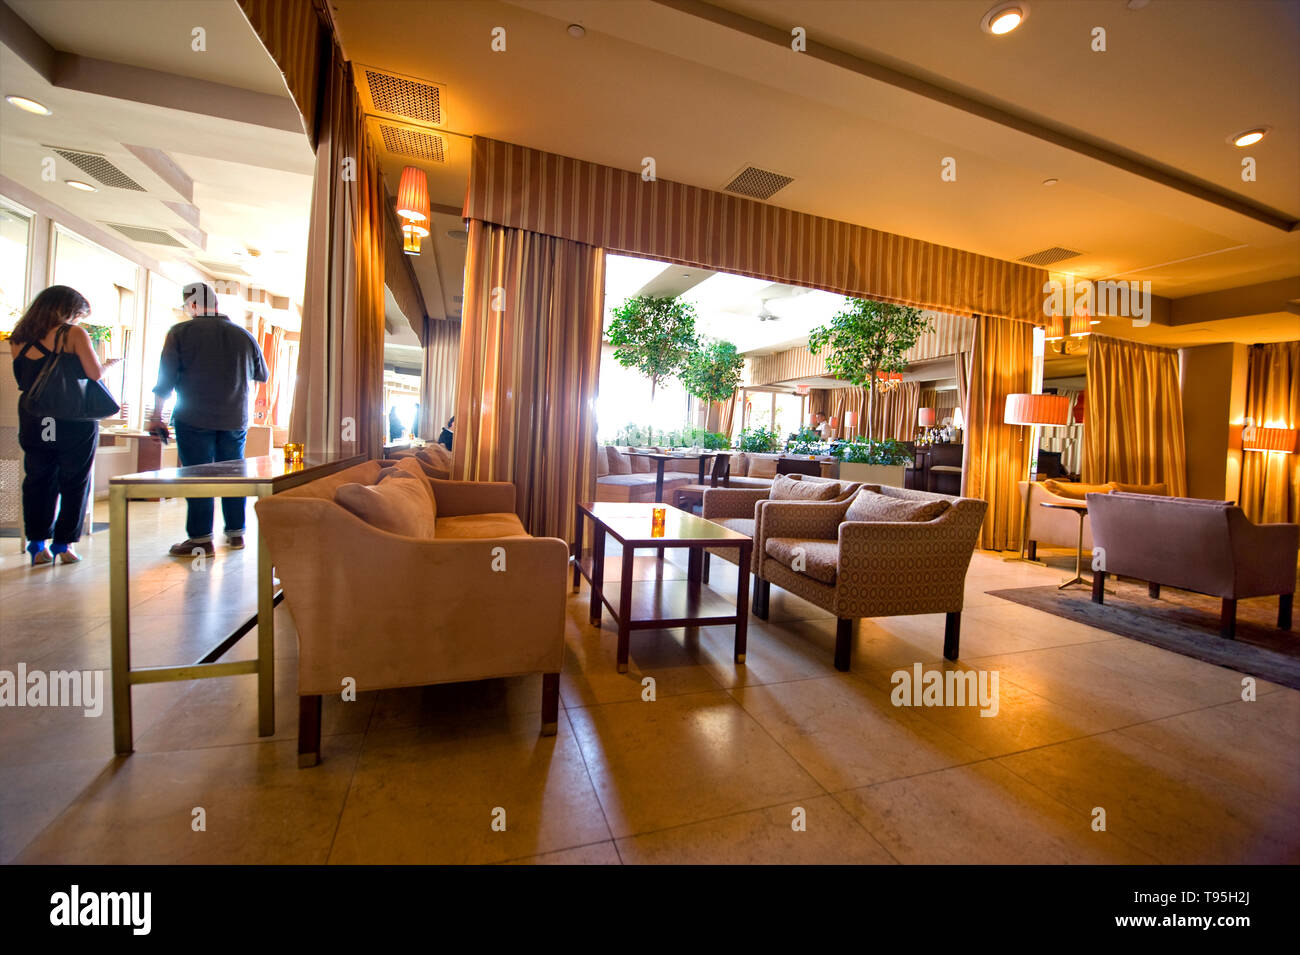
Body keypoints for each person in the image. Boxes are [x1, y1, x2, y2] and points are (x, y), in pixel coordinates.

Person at [149, 282, 268, 557]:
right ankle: (236, 534)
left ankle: (201, 539)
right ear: (216, 304)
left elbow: (165, 380)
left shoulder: (180, 332)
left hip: (194, 417)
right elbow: (262, 376)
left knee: (198, 475)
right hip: (234, 418)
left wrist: (157, 417)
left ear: (191, 305)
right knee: (233, 475)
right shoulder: (244, 335)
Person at [9, 285, 119, 565]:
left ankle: (37, 544)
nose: (78, 321)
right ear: (67, 310)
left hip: (37, 417)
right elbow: (93, 374)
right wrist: (109, 365)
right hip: (73, 418)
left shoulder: (19, 337)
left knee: (38, 478)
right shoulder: (72, 334)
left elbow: (28, 379)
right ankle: (63, 545)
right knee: (74, 480)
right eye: (78, 315)